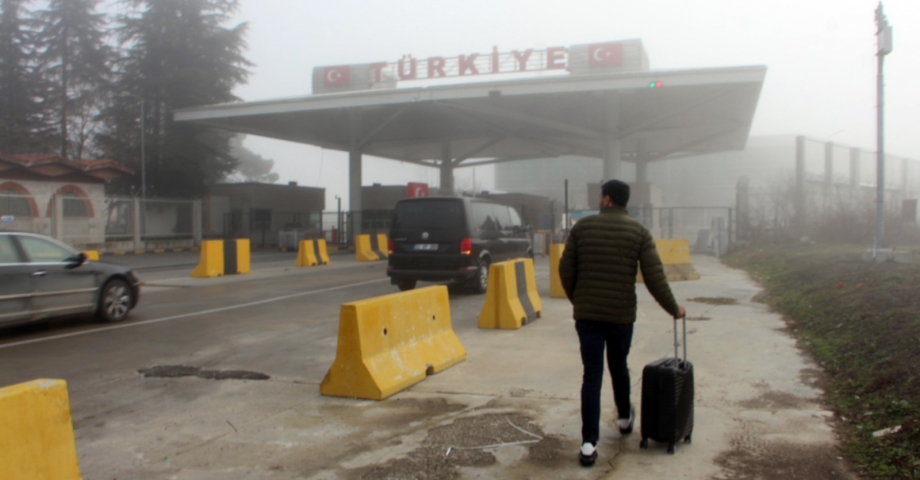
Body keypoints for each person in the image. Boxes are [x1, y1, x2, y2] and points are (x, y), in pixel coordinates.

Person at [559, 179, 685, 467]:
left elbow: (566, 268)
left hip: (588, 316)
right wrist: (673, 308)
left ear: (606, 199)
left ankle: (589, 444)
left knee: (592, 375)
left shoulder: (583, 227)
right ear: (624, 201)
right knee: (619, 366)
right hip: (620, 315)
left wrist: (579, 299)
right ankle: (626, 418)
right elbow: (655, 277)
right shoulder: (639, 232)